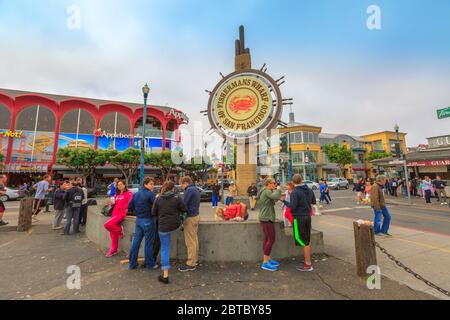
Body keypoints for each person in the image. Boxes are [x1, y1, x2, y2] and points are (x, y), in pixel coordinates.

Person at [153, 181, 188, 284]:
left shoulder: (158, 198)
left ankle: (165, 275)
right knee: (167, 242)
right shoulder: (177, 198)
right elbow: (184, 209)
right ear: (172, 188)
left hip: (163, 227)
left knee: (165, 249)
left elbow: (153, 212)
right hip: (175, 226)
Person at [282, 174, 316, 272]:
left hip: (298, 217)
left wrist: (284, 201)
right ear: (301, 180)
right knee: (306, 240)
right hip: (307, 217)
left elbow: (292, 206)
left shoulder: (295, 192)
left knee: (300, 239)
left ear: (293, 182)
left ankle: (308, 264)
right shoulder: (309, 190)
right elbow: (313, 202)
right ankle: (307, 260)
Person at [128, 177, 158, 270]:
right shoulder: (151, 194)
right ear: (145, 184)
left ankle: (132, 263)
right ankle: (150, 264)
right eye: (151, 184)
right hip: (148, 220)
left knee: (136, 243)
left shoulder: (136, 194)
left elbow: (129, 207)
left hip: (139, 220)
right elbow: (156, 207)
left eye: (153, 184)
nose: (153, 186)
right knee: (148, 244)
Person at [256, 178, 282, 272]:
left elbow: (273, 200)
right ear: (268, 184)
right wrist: (278, 190)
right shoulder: (266, 191)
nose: (275, 184)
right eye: (274, 183)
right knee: (271, 239)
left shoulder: (266, 191)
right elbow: (275, 197)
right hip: (267, 217)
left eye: (275, 183)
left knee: (267, 239)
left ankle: (267, 259)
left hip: (266, 217)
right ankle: (265, 262)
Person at [104, 181, 133, 257]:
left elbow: (131, 203)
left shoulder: (129, 193)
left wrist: (128, 209)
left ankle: (120, 230)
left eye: (121, 184)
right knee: (113, 234)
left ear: (124, 185)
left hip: (121, 214)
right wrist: (111, 201)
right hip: (114, 213)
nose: (119, 186)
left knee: (107, 225)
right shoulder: (117, 194)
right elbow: (113, 204)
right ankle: (113, 250)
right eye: (118, 185)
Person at [179, 176, 201, 272]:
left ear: (186, 183)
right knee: (194, 239)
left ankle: (191, 263)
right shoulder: (195, 189)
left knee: (190, 242)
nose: (181, 186)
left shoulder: (189, 190)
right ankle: (195, 260)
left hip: (190, 218)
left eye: (182, 184)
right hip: (196, 216)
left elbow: (184, 204)